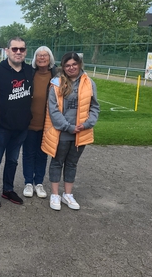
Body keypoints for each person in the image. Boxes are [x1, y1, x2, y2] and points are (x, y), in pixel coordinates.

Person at [41, 52, 100, 211]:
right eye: (67, 65)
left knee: (72, 164)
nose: (71, 67)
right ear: (63, 67)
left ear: (79, 64)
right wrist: (69, 127)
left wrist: (87, 124)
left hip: (81, 132)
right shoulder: (56, 83)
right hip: (62, 132)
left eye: (74, 64)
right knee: (57, 162)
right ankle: (55, 194)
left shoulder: (89, 83)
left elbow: (94, 107)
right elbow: (53, 110)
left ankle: (68, 194)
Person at [0, 36, 33, 207]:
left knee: (12, 161)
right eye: (15, 49)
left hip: (21, 127)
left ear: (25, 51)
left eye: (22, 49)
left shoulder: (29, 71)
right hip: (1, 127)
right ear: (7, 51)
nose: (18, 52)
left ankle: (8, 189)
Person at [21, 46, 58, 199]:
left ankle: (39, 183)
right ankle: (28, 182)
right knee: (28, 153)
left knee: (42, 154)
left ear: (50, 58)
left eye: (45, 55)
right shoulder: (30, 73)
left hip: (48, 124)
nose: (42, 58)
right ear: (35, 59)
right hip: (29, 123)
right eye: (39, 56)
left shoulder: (56, 75)